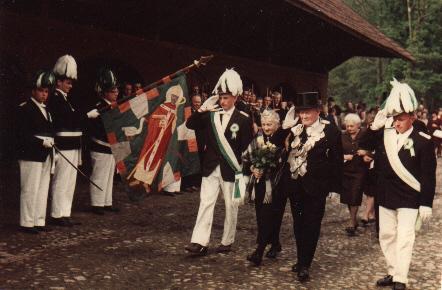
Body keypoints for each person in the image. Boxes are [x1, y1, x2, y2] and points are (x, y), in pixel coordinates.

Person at [359, 79, 436, 290]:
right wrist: (375, 124)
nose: (396, 123)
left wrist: (426, 203)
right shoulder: (384, 134)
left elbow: (428, 176)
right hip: (385, 195)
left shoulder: (423, 140)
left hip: (410, 197)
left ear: (412, 117)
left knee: (404, 238)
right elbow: (363, 144)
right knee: (386, 236)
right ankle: (393, 271)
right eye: (394, 118)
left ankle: (401, 279)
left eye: (400, 119)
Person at [275, 92, 343, 282]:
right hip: (296, 186)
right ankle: (300, 258)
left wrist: (335, 188)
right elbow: (277, 143)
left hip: (317, 187)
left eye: (308, 112)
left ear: (318, 111)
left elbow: (337, 161)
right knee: (298, 225)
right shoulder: (295, 129)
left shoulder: (330, 131)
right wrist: (286, 126)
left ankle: (305, 264)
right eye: (301, 112)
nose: (304, 116)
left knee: (312, 225)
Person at [184, 69, 253, 256]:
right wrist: (203, 108)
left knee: (231, 206)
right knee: (205, 202)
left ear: (236, 97)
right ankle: (199, 241)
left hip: (232, 169)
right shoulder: (210, 115)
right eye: (220, 97)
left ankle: (227, 240)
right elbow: (190, 124)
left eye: (226, 98)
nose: (222, 101)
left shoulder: (244, 120)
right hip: (210, 167)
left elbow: (248, 149)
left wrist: (244, 176)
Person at [48, 55, 100, 227]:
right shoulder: (55, 99)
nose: (70, 86)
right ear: (59, 82)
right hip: (63, 145)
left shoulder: (65, 100)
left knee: (70, 182)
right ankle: (57, 213)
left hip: (72, 145)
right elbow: (68, 119)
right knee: (61, 180)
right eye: (68, 83)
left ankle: (65, 212)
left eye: (71, 83)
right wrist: (86, 115)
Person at [242, 110, 289, 266]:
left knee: (271, 216)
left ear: (277, 124)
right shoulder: (257, 139)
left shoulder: (282, 138)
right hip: (260, 184)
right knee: (262, 216)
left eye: (270, 124)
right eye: (264, 124)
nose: (266, 127)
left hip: (277, 185)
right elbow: (246, 158)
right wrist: (253, 168)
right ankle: (275, 244)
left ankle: (259, 251)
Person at [16, 70, 56, 234]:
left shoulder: (47, 111)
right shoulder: (25, 109)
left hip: (46, 153)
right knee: (30, 188)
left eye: (46, 91)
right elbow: (21, 135)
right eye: (41, 90)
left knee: (42, 188)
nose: (44, 94)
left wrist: (53, 148)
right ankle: (27, 222)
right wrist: (41, 141)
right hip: (30, 154)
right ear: (33, 91)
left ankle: (39, 220)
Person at [88, 69, 120, 215]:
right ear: (105, 92)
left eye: (116, 90)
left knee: (109, 177)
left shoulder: (114, 106)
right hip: (100, 146)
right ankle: (97, 203)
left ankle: (107, 202)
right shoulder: (99, 106)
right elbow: (97, 128)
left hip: (110, 147)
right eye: (113, 91)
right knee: (99, 175)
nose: (116, 93)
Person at [339, 113, 370, 236]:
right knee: (348, 196)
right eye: (347, 126)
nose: (349, 128)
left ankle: (352, 222)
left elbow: (374, 148)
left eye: (352, 126)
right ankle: (353, 219)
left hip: (360, 170)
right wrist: (344, 156)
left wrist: (366, 152)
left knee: (355, 194)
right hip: (345, 170)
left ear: (358, 125)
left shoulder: (365, 134)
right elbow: (335, 153)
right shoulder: (342, 136)